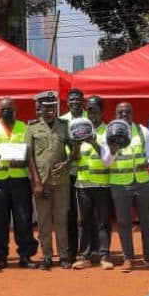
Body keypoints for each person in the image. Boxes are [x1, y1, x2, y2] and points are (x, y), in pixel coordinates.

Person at [102, 102, 149, 270]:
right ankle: (128, 258)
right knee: (124, 222)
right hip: (120, 184)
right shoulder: (108, 133)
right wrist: (112, 150)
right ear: (116, 114)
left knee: (147, 221)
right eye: (120, 112)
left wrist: (148, 164)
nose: (124, 114)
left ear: (132, 113)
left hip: (142, 182)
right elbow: (106, 162)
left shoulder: (142, 131)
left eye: (127, 111)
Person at [0, 98, 38, 269]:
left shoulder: (25, 127)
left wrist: (21, 162)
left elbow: (30, 154)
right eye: (2, 109)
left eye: (9, 109)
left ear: (15, 110)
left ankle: (25, 255)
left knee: (23, 219)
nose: (6, 112)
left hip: (19, 180)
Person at [27, 91, 73, 269]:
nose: (50, 111)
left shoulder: (64, 125)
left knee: (61, 219)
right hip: (42, 182)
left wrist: (66, 162)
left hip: (61, 182)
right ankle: (46, 255)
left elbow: (73, 150)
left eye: (52, 107)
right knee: (44, 221)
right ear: (40, 109)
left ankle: (63, 256)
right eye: (46, 108)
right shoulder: (32, 128)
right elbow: (29, 156)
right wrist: (36, 183)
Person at [72, 96, 113, 270]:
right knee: (83, 221)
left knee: (103, 221)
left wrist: (93, 142)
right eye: (89, 111)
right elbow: (75, 159)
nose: (92, 115)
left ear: (101, 112)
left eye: (95, 111)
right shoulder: (78, 129)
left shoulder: (108, 131)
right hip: (82, 183)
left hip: (102, 184)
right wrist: (75, 144)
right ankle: (84, 255)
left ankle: (104, 255)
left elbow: (108, 158)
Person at [61, 88, 86, 262]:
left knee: (87, 214)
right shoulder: (62, 121)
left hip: (88, 172)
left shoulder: (90, 118)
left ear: (82, 101)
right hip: (68, 174)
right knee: (69, 213)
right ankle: (71, 251)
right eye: (72, 100)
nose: (75, 102)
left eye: (78, 99)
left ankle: (87, 250)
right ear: (67, 102)